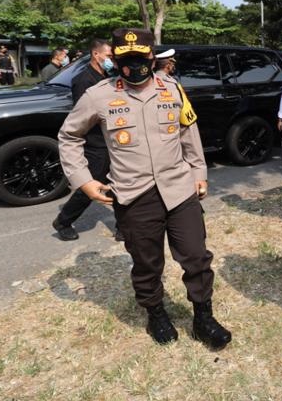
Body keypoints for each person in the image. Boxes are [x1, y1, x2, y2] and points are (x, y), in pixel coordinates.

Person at [58, 28, 231, 348]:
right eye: (125, 60)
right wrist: (84, 180)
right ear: (114, 60)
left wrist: (199, 171)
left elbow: (188, 130)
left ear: (152, 58)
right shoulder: (99, 94)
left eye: (140, 59)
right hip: (134, 194)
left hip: (179, 189)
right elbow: (69, 137)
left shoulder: (172, 88)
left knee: (197, 256)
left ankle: (203, 317)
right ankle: (156, 313)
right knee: (147, 262)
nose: (133, 66)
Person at [52, 39, 115, 242]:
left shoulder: (106, 76)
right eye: (109, 56)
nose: (111, 60)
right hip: (96, 142)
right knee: (91, 185)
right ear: (96, 55)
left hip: (112, 139)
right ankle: (63, 221)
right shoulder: (84, 80)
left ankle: (123, 227)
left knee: (120, 182)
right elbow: (83, 117)